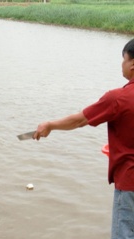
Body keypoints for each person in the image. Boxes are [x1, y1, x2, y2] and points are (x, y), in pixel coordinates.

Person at [32, 38, 134, 239]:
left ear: (133, 65)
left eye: (123, 59)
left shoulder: (118, 98)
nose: (121, 64)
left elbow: (79, 120)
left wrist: (50, 125)